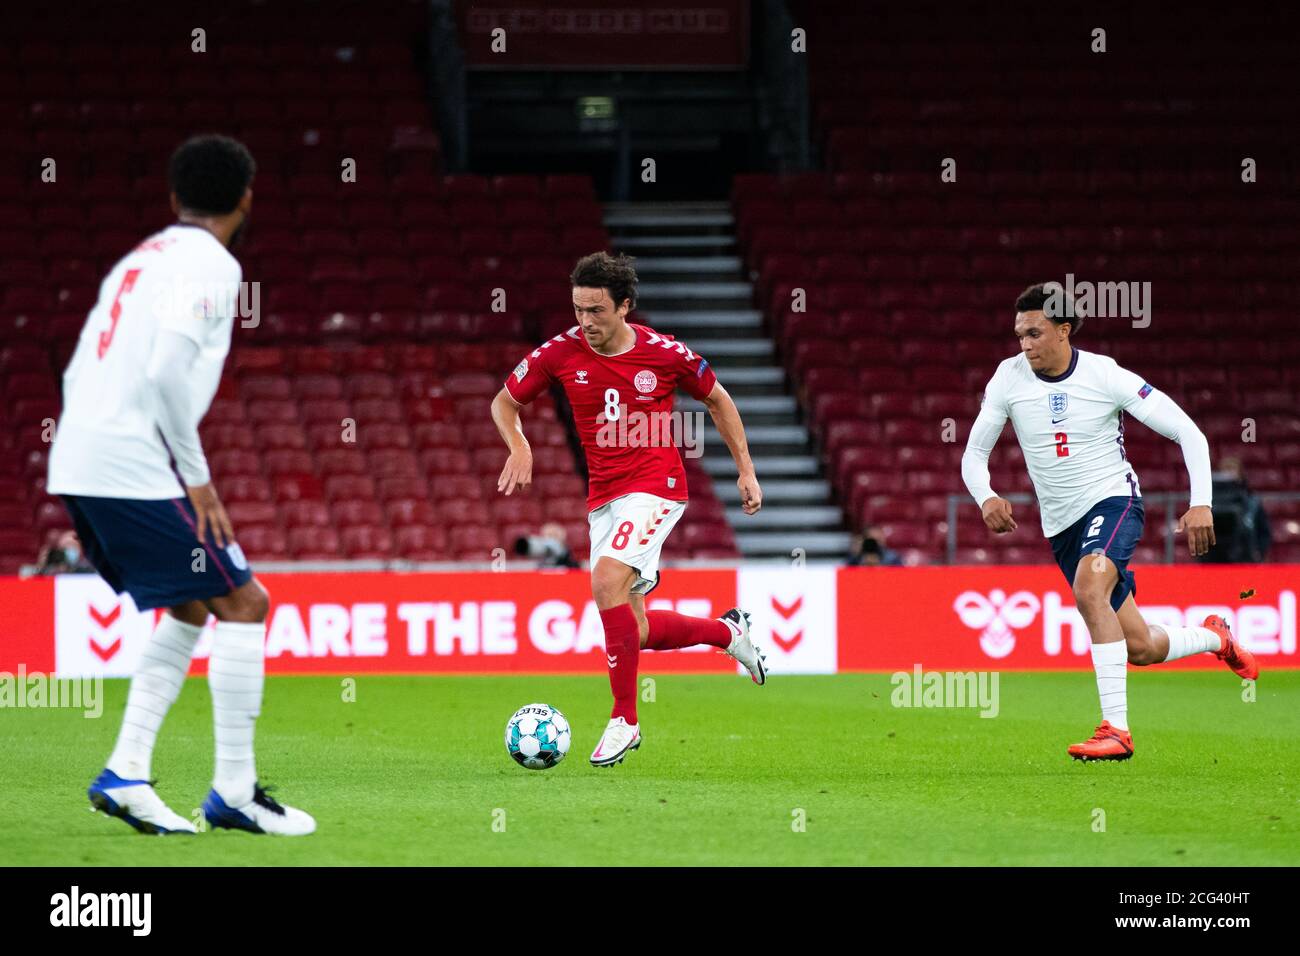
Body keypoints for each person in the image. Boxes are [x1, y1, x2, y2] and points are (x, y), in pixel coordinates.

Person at [46, 134, 313, 834]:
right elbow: (167, 371)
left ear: (173, 199)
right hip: (128, 463)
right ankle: (235, 792)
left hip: (82, 455)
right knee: (246, 602)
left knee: (194, 606)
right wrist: (197, 482)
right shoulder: (213, 265)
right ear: (247, 198)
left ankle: (127, 772)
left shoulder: (139, 260)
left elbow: (81, 366)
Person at [960, 282, 1258, 762]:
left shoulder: (1105, 375)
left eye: (1034, 333)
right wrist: (986, 495)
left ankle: (1116, 731)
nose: (1025, 344)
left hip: (1114, 502)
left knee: (1090, 585)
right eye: (1019, 335)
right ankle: (1214, 636)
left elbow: (1188, 431)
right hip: (1061, 526)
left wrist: (1200, 501)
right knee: (1139, 647)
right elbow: (975, 453)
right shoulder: (1007, 378)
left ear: (1063, 330)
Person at [491, 252, 767, 767]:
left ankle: (625, 722)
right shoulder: (560, 352)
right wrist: (519, 445)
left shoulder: (666, 355)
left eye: (596, 311)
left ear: (625, 307)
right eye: (578, 310)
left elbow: (719, 401)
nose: (585, 322)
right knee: (633, 629)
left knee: (604, 581)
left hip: (656, 486)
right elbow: (504, 402)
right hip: (604, 499)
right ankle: (729, 634)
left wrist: (745, 469)